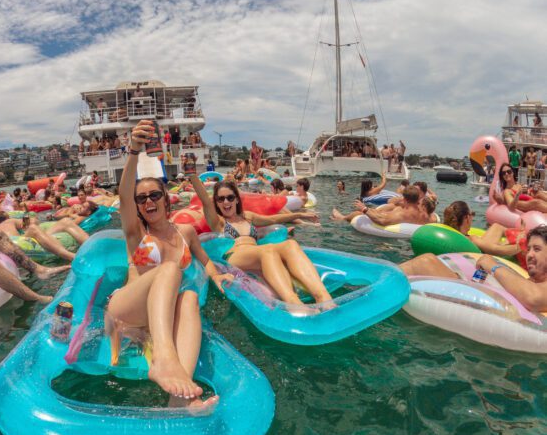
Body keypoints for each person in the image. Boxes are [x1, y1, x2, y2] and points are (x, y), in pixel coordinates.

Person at [106, 120, 233, 408]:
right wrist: (134, 151)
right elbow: (123, 195)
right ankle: (163, 359)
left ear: (166, 199)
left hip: (160, 316)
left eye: (154, 195)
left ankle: (180, 398)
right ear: (137, 206)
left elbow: (205, 262)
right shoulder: (137, 235)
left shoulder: (185, 233)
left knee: (188, 297)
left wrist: (217, 278)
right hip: (127, 311)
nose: (147, 201)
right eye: (142, 199)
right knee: (169, 269)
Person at [189, 174, 331, 307]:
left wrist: (301, 215)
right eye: (220, 199)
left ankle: (323, 297)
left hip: (256, 252)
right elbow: (206, 203)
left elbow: (274, 218)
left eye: (230, 197)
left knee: (290, 244)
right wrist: (193, 175)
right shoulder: (219, 222)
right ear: (217, 203)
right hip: (235, 256)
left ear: (237, 199)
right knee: (267, 250)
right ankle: (293, 303)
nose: (226, 202)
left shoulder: (248, 216)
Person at [401, 226, 547, 313]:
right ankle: (382, 279)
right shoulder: (531, 281)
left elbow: (532, 299)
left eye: (537, 249)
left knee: (426, 262)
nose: (529, 254)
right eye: (528, 249)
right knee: (426, 261)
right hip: (478, 302)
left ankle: (381, 280)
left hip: (478, 310)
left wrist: (493, 266)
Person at [441, 201, 523, 256]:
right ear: (466, 218)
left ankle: (518, 233)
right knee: (500, 235)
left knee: (496, 226)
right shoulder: (471, 239)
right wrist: (522, 245)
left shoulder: (447, 233)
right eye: (472, 214)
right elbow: (499, 250)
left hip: (483, 248)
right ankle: (520, 233)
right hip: (485, 254)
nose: (472, 218)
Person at [332, 186, 431, 226]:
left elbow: (382, 221)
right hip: (409, 225)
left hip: (389, 226)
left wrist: (364, 209)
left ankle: (343, 218)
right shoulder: (424, 213)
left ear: (404, 199)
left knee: (359, 213)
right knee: (391, 206)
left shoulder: (402, 214)